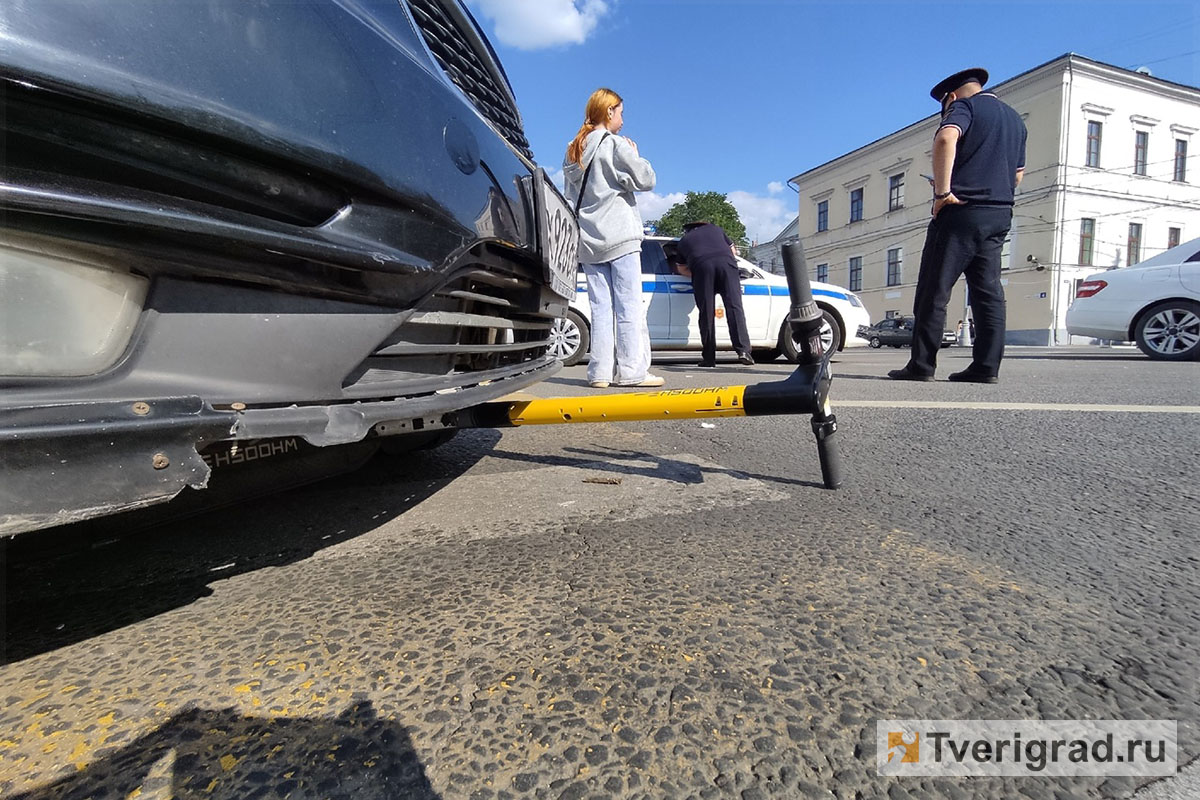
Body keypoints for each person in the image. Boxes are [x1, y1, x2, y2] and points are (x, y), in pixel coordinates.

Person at [888, 67, 1026, 384]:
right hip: (1000, 212)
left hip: (961, 210)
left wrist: (942, 192)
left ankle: (922, 366)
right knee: (988, 292)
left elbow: (946, 138)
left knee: (933, 291)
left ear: (950, 97)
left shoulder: (965, 107)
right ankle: (986, 367)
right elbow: (1018, 175)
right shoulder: (1014, 119)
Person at [562, 88, 662, 389]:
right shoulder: (616, 145)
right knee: (629, 306)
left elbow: (572, 194)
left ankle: (600, 373)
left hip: (589, 240)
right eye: (620, 112)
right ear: (609, 112)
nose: (622, 118)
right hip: (619, 236)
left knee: (601, 309)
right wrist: (635, 153)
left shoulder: (574, 149)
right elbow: (647, 180)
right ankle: (632, 371)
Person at [672, 221, 754, 367]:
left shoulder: (685, 241)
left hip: (703, 268)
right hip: (726, 266)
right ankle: (743, 351)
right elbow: (733, 252)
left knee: (707, 314)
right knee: (735, 308)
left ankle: (709, 358)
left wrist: (698, 273)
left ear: (687, 231)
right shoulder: (716, 229)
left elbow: (681, 269)